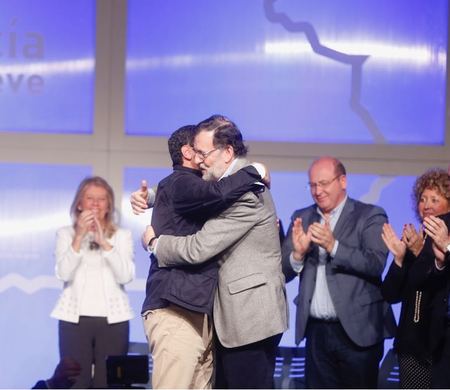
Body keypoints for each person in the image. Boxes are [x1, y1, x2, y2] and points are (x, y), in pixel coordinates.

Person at [143, 115, 288, 389]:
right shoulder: (236, 182)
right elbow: (191, 190)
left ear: (228, 151)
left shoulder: (245, 190)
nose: (199, 160)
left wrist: (156, 244)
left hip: (249, 319)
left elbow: (199, 247)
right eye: (195, 152)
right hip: (230, 318)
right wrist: (152, 196)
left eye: (203, 153)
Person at [281, 156, 396, 389]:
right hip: (316, 332)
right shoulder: (301, 217)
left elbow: (375, 263)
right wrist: (298, 255)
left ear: (342, 181)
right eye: (312, 185)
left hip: (358, 332)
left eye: (323, 183)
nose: (317, 191)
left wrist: (333, 246)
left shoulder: (370, 215)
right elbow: (282, 272)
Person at [50, 176, 135, 388]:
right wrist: (78, 237)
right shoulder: (65, 234)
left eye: (102, 199)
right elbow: (63, 273)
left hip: (113, 320)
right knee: (75, 381)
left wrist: (104, 243)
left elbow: (126, 275)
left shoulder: (122, 236)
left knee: (109, 382)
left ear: (109, 205)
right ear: (79, 204)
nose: (95, 204)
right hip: (74, 319)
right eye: (90, 198)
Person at [381, 168, 450, 388]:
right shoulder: (414, 237)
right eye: (422, 199)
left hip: (437, 342)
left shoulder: (443, 240)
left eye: (434, 199)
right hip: (411, 342)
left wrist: (422, 253)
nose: (427, 205)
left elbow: (436, 284)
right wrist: (400, 259)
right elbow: (391, 294)